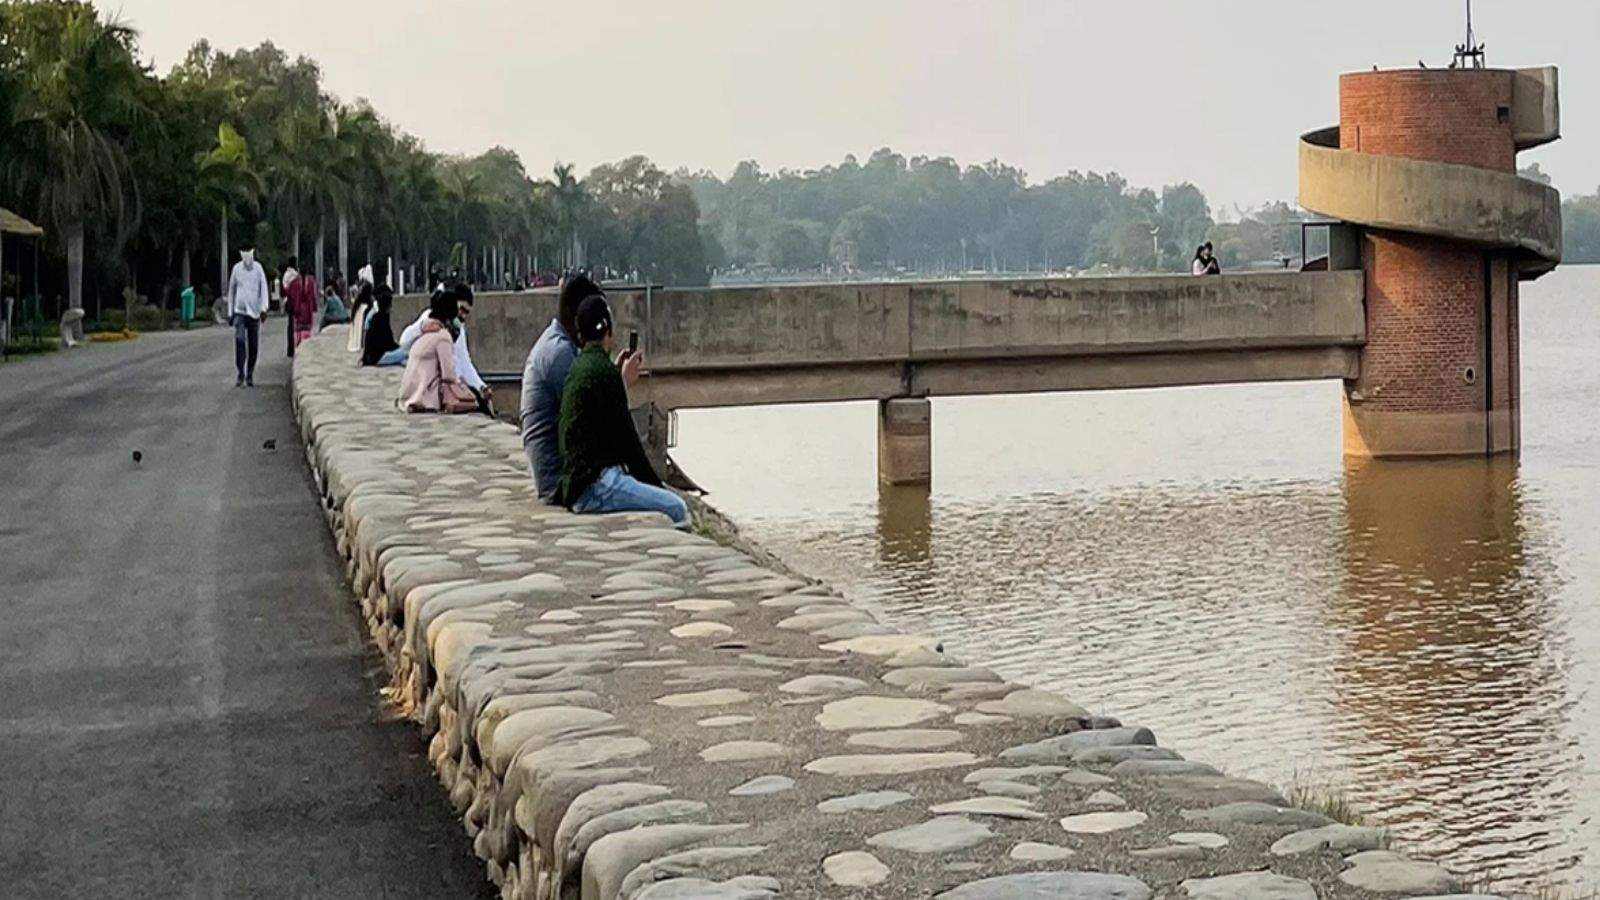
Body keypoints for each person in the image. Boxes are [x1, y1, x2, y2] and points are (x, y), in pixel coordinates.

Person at [557, 295, 686, 526]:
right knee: (676, 508)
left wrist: (618, 379)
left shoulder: (579, 367)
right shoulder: (603, 373)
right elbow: (629, 446)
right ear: (608, 330)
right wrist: (656, 487)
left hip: (575, 487)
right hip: (596, 487)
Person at [521, 274, 642, 503]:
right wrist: (622, 383)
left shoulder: (558, 344)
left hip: (563, 474)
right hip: (561, 481)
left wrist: (611, 377)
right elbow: (595, 418)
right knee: (672, 506)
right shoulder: (560, 354)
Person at [398, 290, 477, 414]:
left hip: (410, 390)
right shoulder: (443, 336)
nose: (462, 316)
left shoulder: (428, 329)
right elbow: (448, 374)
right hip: (424, 395)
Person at [228, 245, 270, 386]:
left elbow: (263, 288)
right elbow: (231, 291)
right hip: (239, 311)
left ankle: (250, 373)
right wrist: (230, 312)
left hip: (254, 312)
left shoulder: (258, 269)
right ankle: (240, 371)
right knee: (239, 340)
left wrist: (264, 308)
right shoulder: (236, 269)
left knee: (253, 345)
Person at [360, 285, 398, 366]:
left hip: (371, 357)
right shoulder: (383, 319)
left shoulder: (374, 316)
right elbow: (388, 343)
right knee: (406, 353)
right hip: (379, 357)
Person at [285, 263, 320, 348]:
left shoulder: (294, 283)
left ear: (299, 271)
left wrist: (290, 307)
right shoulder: (311, 282)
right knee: (307, 331)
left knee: (298, 332)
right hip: (308, 311)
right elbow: (314, 296)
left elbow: (290, 296)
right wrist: (314, 307)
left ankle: (298, 347)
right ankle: (306, 347)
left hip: (298, 311)